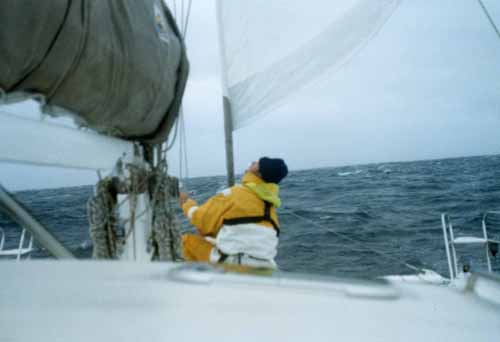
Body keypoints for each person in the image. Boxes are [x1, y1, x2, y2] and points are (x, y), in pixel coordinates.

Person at [179, 157, 288, 268]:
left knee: (185, 242)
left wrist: (186, 203)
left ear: (259, 173)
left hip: (236, 266)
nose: (254, 162)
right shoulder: (271, 208)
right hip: (266, 267)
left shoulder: (234, 194)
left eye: (258, 163)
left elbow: (200, 218)